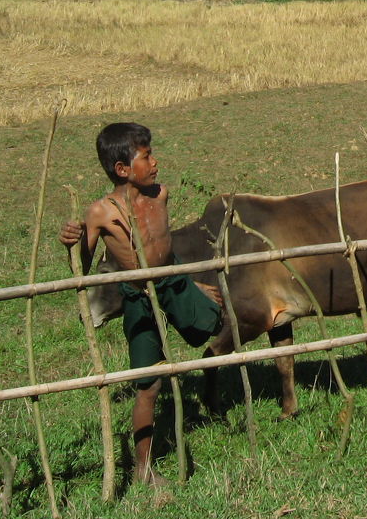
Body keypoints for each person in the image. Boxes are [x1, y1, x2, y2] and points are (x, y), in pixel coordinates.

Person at [59, 122, 222, 488]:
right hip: (139, 296)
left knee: (216, 320)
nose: (155, 162)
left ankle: (212, 374)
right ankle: (143, 468)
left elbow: (162, 247)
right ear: (122, 169)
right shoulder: (101, 212)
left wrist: (189, 283)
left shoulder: (160, 194)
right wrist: (73, 242)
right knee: (148, 384)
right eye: (146, 156)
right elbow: (82, 268)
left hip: (173, 280)